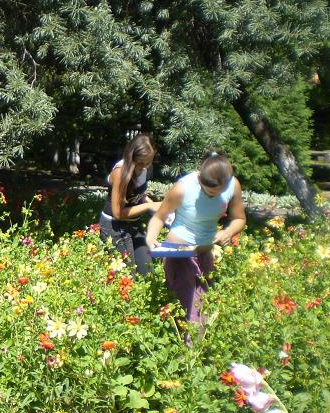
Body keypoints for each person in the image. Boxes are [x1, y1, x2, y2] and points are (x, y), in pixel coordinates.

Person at [146, 152, 246, 323]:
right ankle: (186, 348)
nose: (212, 196)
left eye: (217, 192)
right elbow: (159, 216)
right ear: (199, 179)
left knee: (201, 309)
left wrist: (227, 232)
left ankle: (191, 348)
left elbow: (240, 219)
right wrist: (151, 237)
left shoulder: (233, 185)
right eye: (208, 192)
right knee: (189, 311)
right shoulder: (183, 188)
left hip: (204, 254)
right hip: (179, 255)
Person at [100, 134, 162, 275]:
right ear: (131, 156)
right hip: (114, 227)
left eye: (148, 162)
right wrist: (148, 207)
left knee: (147, 272)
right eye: (140, 163)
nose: (143, 167)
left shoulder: (145, 169)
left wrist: (159, 209)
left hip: (133, 225)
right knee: (127, 277)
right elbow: (117, 213)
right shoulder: (120, 172)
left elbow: (139, 195)